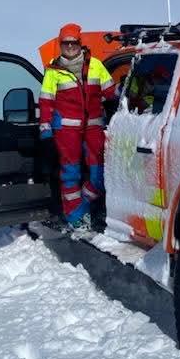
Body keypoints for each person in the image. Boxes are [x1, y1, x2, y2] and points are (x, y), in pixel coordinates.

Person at [39, 23, 116, 229]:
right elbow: (46, 103)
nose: (70, 47)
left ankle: (81, 205)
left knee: (100, 175)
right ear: (60, 45)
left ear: (80, 44)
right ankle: (75, 217)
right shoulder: (53, 72)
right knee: (70, 174)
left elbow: (111, 93)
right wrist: (45, 131)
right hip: (65, 130)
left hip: (93, 127)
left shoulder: (96, 65)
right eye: (66, 43)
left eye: (74, 42)